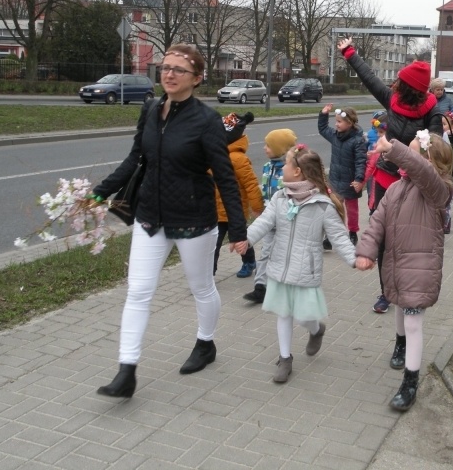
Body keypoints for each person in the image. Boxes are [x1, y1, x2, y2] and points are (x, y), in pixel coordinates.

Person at [91, 44, 247, 398]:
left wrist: (237, 230)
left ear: (197, 79)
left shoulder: (207, 121)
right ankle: (126, 371)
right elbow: (135, 159)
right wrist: (99, 193)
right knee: (138, 292)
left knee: (201, 287)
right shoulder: (149, 109)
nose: (170, 74)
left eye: (179, 70)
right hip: (150, 217)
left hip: (194, 219)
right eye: (166, 67)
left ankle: (205, 344)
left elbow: (225, 177)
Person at [337, 36, 442, 314]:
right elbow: (369, 77)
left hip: (415, 184)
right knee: (382, 235)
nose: (395, 84)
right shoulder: (392, 99)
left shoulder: (432, 109)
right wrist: (349, 52)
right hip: (386, 178)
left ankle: (410, 287)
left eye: (401, 81)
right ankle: (386, 291)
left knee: (407, 241)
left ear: (411, 88)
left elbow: (436, 146)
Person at [238, 144, 357, 383]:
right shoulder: (280, 198)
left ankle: (316, 330)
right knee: (283, 313)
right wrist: (247, 239)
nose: (283, 167)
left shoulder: (322, 205)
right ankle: (285, 358)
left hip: (305, 270)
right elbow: (264, 222)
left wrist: (355, 259)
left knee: (303, 316)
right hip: (280, 266)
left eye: (287, 164)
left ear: (298, 172)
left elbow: (339, 238)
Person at [355, 130, 453, 412]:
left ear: (428, 160)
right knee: (398, 306)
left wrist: (393, 147)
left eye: (413, 151)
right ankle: (400, 345)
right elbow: (377, 222)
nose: (405, 158)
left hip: (420, 267)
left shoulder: (439, 189)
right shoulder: (397, 189)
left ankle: (410, 382)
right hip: (396, 264)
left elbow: (423, 172)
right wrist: (366, 251)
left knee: (413, 321)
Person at [242, 128, 298, 304]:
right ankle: (261, 287)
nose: (265, 148)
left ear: (280, 148)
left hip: (288, 219)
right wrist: (259, 208)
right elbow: (264, 191)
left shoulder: (293, 169)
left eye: (269, 145)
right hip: (269, 216)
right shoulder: (267, 167)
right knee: (265, 252)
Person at [213, 112, 264, 276]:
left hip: (235, 211)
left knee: (240, 238)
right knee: (212, 244)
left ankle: (249, 262)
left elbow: (250, 184)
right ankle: (208, 272)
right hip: (215, 210)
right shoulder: (213, 155)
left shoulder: (239, 159)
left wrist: (257, 207)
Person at [318, 104, 368, 245]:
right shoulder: (335, 136)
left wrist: (359, 179)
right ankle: (332, 235)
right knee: (334, 208)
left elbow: (361, 161)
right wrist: (323, 114)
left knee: (352, 211)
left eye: (339, 122)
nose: (336, 124)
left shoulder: (357, 141)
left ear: (350, 123)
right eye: (336, 121)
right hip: (335, 180)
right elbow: (322, 129)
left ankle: (352, 232)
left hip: (350, 182)